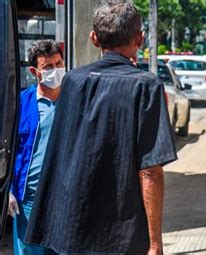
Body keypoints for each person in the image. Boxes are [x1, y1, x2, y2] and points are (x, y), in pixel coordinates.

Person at [24, 2, 177, 254]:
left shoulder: (72, 81)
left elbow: (58, 157)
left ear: (94, 39)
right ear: (139, 38)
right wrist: (155, 243)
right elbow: (150, 171)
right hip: (122, 238)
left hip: (72, 230)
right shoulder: (146, 86)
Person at [8, 40, 64, 255]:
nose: (56, 70)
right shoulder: (21, 104)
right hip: (29, 199)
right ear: (35, 71)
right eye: (48, 67)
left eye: (58, 64)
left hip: (64, 197)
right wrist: (10, 191)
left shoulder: (74, 100)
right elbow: (9, 150)